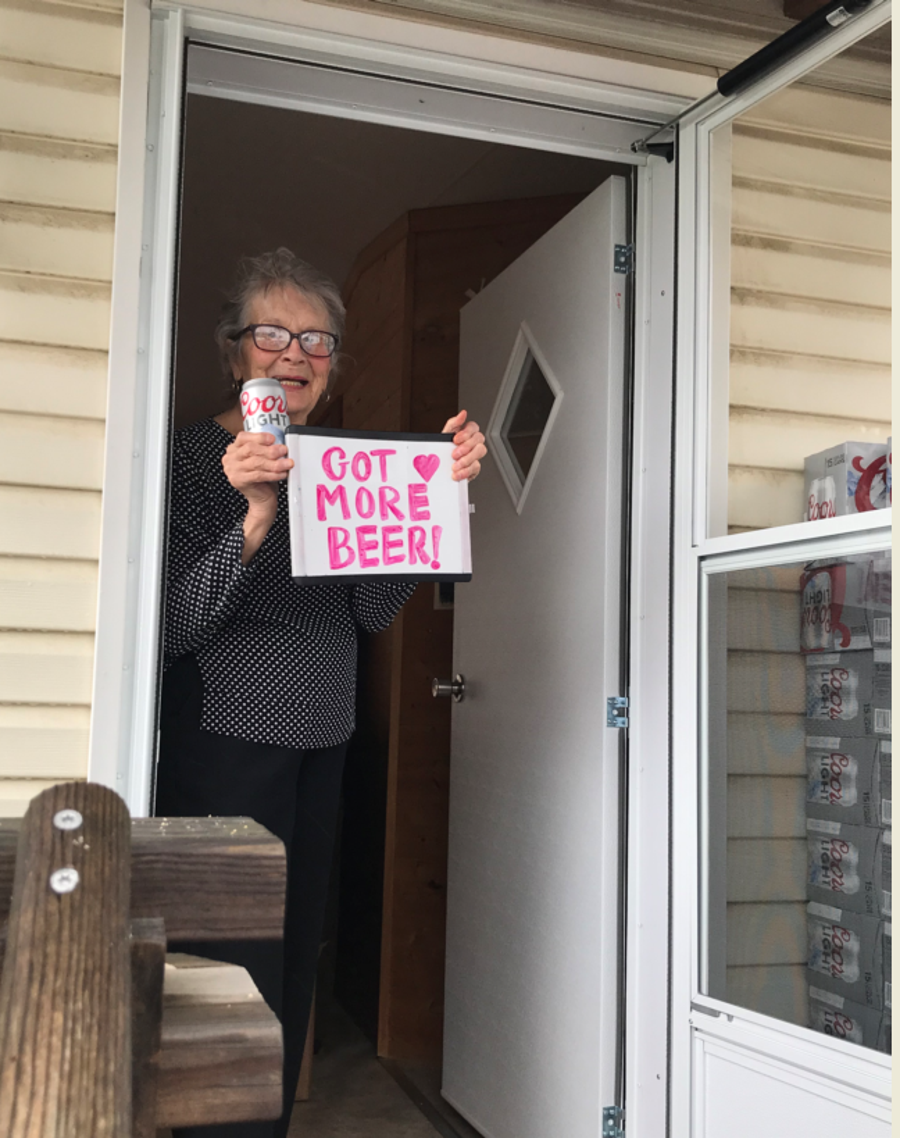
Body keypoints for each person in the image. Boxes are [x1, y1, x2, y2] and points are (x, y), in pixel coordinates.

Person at [155, 248, 486, 1137]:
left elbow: (371, 609)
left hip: (323, 732)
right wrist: (257, 519)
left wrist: (437, 503)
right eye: (274, 333)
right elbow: (172, 628)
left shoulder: (340, 463)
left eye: (319, 341)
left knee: (296, 953)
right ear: (235, 353)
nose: (296, 354)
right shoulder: (189, 454)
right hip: (224, 737)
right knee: (221, 957)